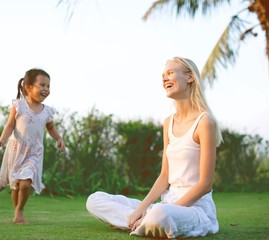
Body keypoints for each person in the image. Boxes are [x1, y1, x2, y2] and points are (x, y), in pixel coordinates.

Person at [86, 57, 223, 238]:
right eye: (163, 75)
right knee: (95, 200)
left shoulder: (204, 122)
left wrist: (164, 210)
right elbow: (165, 176)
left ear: (190, 77)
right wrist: (141, 209)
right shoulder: (169, 122)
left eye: (171, 73)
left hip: (194, 209)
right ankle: (140, 221)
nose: (165, 78)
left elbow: (205, 185)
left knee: (160, 214)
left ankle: (143, 222)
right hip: (164, 204)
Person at [0, 68, 65, 224]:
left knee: (26, 183)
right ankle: (17, 212)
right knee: (16, 185)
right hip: (16, 150)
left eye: (48, 86)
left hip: (34, 152)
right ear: (28, 87)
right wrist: (1, 140)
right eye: (42, 85)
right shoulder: (19, 105)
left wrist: (59, 138)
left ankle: (20, 210)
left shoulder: (47, 112)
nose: (46, 89)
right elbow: (9, 125)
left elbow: (51, 128)